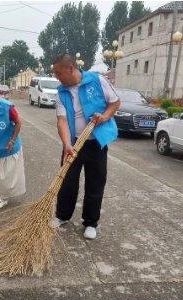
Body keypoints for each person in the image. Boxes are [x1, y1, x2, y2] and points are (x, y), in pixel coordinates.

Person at [51, 54, 121, 240]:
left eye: (58, 73)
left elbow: (115, 102)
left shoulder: (97, 80)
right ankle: (62, 216)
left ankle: (90, 223)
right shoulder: (61, 92)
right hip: (73, 143)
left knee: (95, 183)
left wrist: (104, 116)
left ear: (70, 69)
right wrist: (67, 145)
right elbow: (62, 120)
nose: (56, 77)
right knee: (66, 180)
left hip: (96, 143)